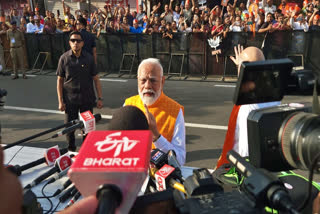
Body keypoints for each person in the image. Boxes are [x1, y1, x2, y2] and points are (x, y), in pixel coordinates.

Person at [216, 45, 280, 169]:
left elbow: (246, 154)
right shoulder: (272, 97)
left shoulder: (248, 106)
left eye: (242, 65)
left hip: (241, 170)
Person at [124, 58, 186, 166]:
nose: (147, 86)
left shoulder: (175, 110)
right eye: (143, 80)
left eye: (153, 80)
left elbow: (180, 159)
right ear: (137, 80)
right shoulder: (129, 105)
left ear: (162, 81)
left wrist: (156, 136)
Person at [56, 31, 103, 151]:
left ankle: (87, 149)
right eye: (73, 40)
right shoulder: (64, 58)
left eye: (78, 41)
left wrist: (100, 98)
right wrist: (60, 101)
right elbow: (60, 81)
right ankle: (71, 149)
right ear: (69, 43)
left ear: (82, 43)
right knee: (70, 127)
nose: (75, 43)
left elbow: (96, 79)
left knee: (88, 127)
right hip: (70, 100)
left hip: (86, 99)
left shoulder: (89, 58)